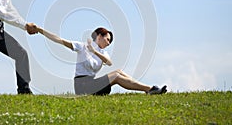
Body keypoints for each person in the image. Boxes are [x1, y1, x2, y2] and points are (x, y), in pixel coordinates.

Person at [36, 26, 167, 95]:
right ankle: (150, 89)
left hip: (94, 85)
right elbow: (60, 40)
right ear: (99, 36)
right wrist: (40, 30)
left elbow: (109, 62)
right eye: (107, 39)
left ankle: (147, 89)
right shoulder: (82, 46)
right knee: (116, 75)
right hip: (82, 86)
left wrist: (94, 52)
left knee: (118, 71)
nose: (109, 43)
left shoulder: (102, 52)